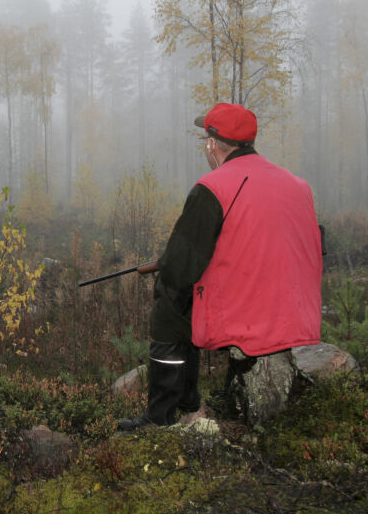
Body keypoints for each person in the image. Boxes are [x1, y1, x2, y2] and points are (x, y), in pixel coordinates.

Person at [118, 102, 323, 432]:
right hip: (294, 307)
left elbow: (180, 268)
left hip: (245, 309)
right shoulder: (297, 185)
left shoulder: (213, 187)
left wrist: (165, 276)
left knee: (171, 303)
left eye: (205, 140)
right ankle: (223, 398)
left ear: (212, 144)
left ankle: (165, 414)